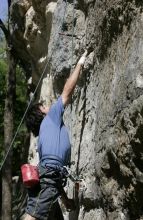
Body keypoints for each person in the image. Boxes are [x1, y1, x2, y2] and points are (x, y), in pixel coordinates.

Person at [24, 50, 88, 220]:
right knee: (33, 217)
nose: (48, 106)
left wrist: (65, 200)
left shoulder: (43, 142)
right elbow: (67, 91)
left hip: (52, 180)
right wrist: (80, 62)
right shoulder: (51, 116)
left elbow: (51, 175)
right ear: (41, 113)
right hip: (50, 180)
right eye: (43, 106)